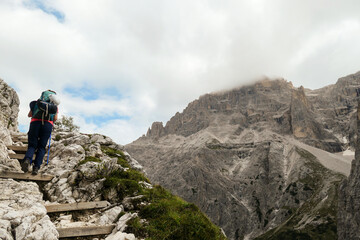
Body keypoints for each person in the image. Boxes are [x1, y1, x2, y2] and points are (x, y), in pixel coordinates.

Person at [20, 90, 60, 175]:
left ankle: (27, 159)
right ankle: (36, 168)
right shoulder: (54, 106)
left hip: (35, 123)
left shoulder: (36, 103)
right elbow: (55, 118)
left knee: (32, 145)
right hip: (47, 125)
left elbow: (29, 115)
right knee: (41, 147)